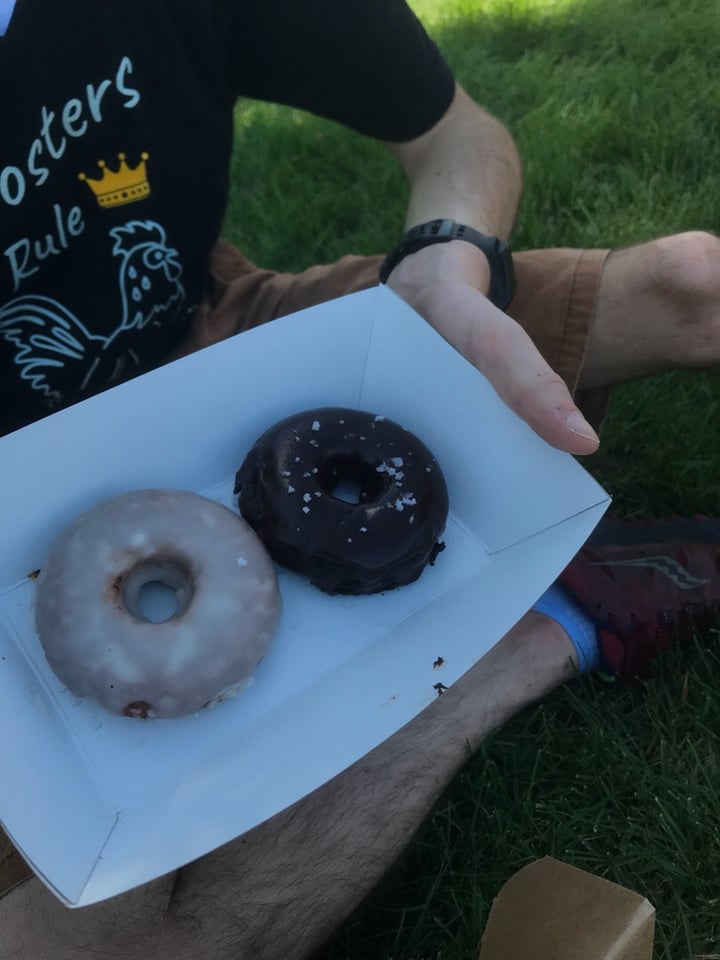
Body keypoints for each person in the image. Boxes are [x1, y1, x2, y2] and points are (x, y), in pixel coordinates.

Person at [1, 1, 719, 958]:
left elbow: (457, 133)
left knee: (690, 290)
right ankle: (529, 638)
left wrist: (445, 264)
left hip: (207, 343)